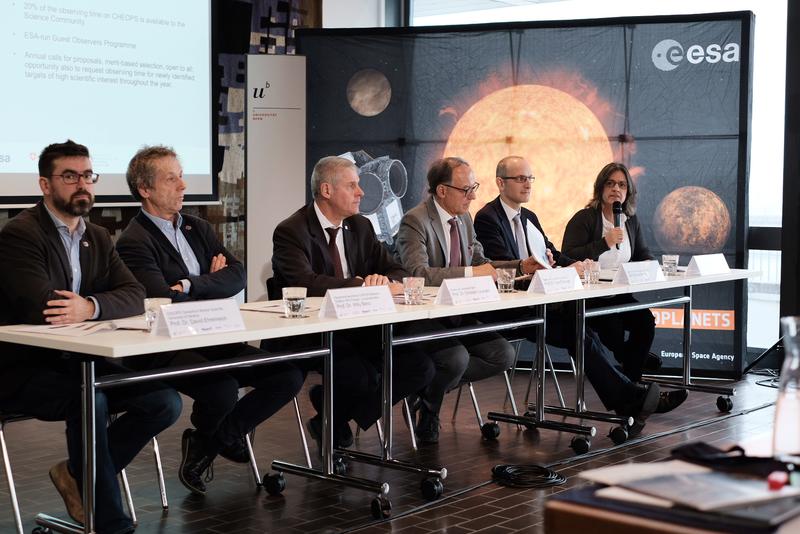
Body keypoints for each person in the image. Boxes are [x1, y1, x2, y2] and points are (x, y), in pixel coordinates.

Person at [0, 140, 182, 534]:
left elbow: (135, 295)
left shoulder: (96, 236)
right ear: (45, 185)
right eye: (70, 176)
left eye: (87, 175)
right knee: (91, 398)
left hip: (82, 362)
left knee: (164, 402)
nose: (82, 184)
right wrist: (95, 303)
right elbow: (43, 306)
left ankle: (76, 473)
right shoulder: (20, 233)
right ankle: (111, 523)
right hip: (25, 369)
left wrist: (91, 307)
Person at [116, 145, 304, 495]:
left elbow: (237, 275)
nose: (183, 185)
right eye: (171, 179)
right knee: (221, 389)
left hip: (212, 333)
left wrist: (191, 283)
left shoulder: (197, 227)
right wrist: (209, 283)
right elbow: (163, 298)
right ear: (145, 189)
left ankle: (211, 442)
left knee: (287, 375)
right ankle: (216, 440)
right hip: (167, 343)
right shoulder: (134, 240)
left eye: (182, 176)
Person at [472, 155, 667, 435]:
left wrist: (568, 264)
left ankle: (629, 395)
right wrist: (541, 266)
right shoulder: (488, 217)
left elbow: (551, 251)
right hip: (514, 308)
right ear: (500, 183)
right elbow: (502, 266)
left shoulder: (528, 216)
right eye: (520, 179)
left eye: (530, 178)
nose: (527, 184)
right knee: (583, 328)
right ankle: (630, 396)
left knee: (585, 327)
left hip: (542, 303)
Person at [271, 155, 434, 450]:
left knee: (420, 367)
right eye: (352, 186)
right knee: (362, 378)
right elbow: (304, 284)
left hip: (361, 326)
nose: (361, 192)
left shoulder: (361, 226)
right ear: (326, 191)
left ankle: (331, 418)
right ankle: (333, 415)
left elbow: (395, 268)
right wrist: (360, 285)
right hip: (315, 330)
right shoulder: (291, 230)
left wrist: (387, 281)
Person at [395, 157, 533, 444]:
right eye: (466, 189)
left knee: (503, 355)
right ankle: (431, 411)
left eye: (474, 188)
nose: (473, 195)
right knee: (455, 359)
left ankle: (427, 391)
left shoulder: (464, 218)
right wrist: (473, 272)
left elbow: (484, 262)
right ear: (442, 190)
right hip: (424, 318)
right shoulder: (415, 220)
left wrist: (521, 266)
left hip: (460, 313)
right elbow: (417, 274)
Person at [562, 162, 687, 413]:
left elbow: (642, 254)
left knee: (645, 322)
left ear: (628, 191)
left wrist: (652, 266)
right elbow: (567, 257)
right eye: (610, 184)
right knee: (613, 329)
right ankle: (635, 390)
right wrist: (603, 243)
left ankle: (634, 387)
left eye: (621, 185)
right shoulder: (585, 218)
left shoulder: (630, 221)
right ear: (600, 189)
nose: (616, 189)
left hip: (619, 295)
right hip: (590, 298)